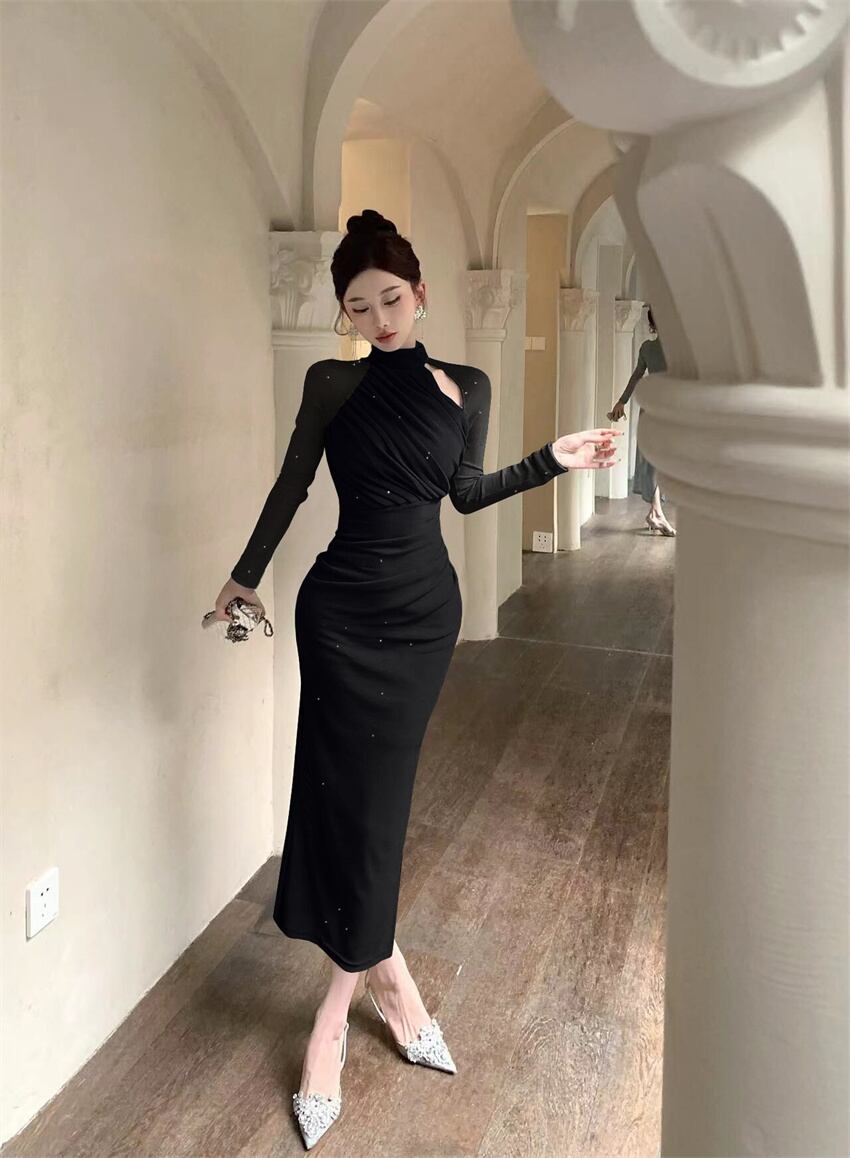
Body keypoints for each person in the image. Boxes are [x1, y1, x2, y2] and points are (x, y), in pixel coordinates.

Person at [211, 209, 622, 1150]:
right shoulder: (331, 383)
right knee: (345, 801)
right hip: (338, 616)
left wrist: (552, 459)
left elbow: (466, 494)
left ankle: (347, 1001)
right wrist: (245, 574)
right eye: (359, 308)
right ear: (345, 315)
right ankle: (375, 989)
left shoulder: (468, 386)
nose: (379, 320)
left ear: (422, 294)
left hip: (421, 619)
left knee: (380, 807)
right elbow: (291, 486)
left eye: (391, 300)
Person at [608, 307, 676, 536]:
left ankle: (655, 511)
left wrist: (622, 401)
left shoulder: (648, 348)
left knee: (654, 461)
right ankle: (656, 512)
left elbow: (636, 376)